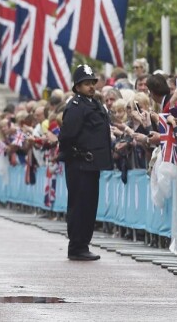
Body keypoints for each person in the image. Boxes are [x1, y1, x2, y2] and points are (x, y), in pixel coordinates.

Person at [58, 64, 113, 261]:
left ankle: (83, 244)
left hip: (91, 165)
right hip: (79, 164)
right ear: (77, 86)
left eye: (92, 83)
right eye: (86, 83)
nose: (91, 86)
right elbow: (67, 136)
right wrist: (76, 154)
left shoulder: (94, 104)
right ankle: (76, 246)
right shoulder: (75, 107)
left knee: (89, 206)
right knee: (79, 206)